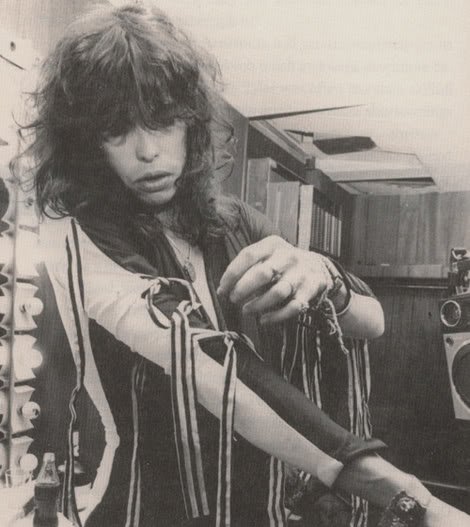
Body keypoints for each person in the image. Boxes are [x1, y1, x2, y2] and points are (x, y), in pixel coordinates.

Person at [13, 3, 469, 527]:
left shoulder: (231, 220)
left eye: (162, 119)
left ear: (190, 122)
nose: (147, 151)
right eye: (117, 129)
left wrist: (322, 275)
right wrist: (415, 500)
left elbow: (372, 321)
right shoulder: (76, 233)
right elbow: (211, 365)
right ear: (87, 142)